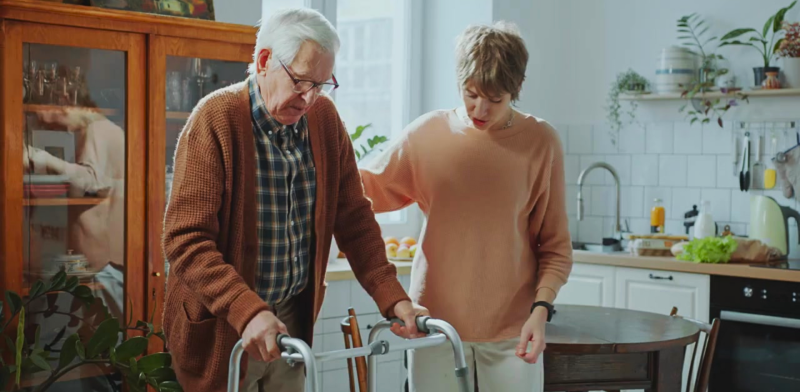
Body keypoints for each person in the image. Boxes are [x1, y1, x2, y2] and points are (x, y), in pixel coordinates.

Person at [161, 7, 426, 392]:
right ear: (265, 60)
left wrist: (395, 300)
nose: (309, 97)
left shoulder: (325, 120)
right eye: (301, 81)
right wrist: (246, 310)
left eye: (322, 84)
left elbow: (355, 220)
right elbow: (186, 241)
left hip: (289, 324)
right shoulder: (215, 119)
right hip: (225, 326)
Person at [359, 22, 573, 391]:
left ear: (516, 89)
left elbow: (556, 248)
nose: (481, 108)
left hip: (514, 334)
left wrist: (541, 313)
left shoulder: (541, 142)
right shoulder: (427, 135)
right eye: (471, 94)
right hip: (433, 327)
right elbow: (365, 192)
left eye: (496, 99)